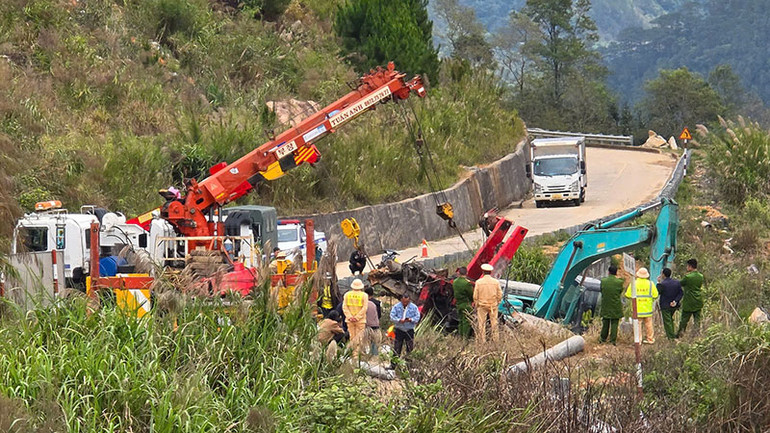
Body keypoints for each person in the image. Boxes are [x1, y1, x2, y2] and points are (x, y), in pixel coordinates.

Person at [625, 267, 659, 344]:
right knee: (649, 324)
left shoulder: (634, 283)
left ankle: (638, 340)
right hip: (648, 308)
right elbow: (656, 295)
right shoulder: (651, 284)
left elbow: (628, 295)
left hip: (637, 308)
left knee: (638, 325)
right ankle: (650, 339)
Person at [473, 263, 502, 343]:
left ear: (483, 272)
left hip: (482, 306)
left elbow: (475, 296)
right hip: (493, 306)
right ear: (491, 272)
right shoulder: (496, 282)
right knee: (494, 323)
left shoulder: (479, 282)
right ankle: (496, 340)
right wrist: (497, 302)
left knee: (481, 324)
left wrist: (477, 304)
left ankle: (482, 341)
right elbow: (500, 294)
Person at [389, 293, 420, 363]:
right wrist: (399, 320)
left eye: (407, 302)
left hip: (409, 330)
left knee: (409, 348)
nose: (405, 303)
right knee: (397, 348)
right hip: (399, 330)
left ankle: (408, 365)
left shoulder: (414, 307)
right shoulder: (396, 307)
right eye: (404, 302)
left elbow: (417, 317)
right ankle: (393, 364)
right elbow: (392, 316)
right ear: (401, 300)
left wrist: (411, 319)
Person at [677, 259, 704, 337]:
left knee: (684, 319)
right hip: (698, 300)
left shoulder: (688, 277)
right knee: (697, 320)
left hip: (689, 301)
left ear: (690, 266)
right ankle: (696, 334)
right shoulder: (701, 276)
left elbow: (680, 283)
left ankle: (680, 334)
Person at [342, 279, 369, 357]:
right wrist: (357, 317)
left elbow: (344, 307)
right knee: (359, 338)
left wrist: (350, 317)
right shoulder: (364, 295)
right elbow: (365, 308)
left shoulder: (347, 295)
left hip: (349, 320)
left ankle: (352, 353)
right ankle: (356, 354)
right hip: (360, 320)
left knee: (352, 337)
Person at [598, 265, 624, 345]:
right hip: (615, 305)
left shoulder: (603, 281)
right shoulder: (619, 282)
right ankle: (613, 340)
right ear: (616, 272)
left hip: (606, 304)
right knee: (614, 323)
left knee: (605, 322)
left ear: (608, 272)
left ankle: (603, 339)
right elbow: (620, 292)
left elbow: (601, 290)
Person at [657, 268, 683, 340]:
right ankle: (672, 334)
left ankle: (671, 337)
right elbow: (681, 293)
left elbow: (658, 292)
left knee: (667, 321)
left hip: (665, 305)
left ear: (663, 274)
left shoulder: (662, 284)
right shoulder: (677, 282)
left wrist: (658, 283)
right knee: (670, 320)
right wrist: (675, 301)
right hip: (674, 305)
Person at [452, 266, 474, 338]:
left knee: (460, 320)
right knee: (466, 322)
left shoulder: (455, 282)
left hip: (458, 304)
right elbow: (471, 294)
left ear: (459, 273)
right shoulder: (467, 283)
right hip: (466, 304)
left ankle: (460, 336)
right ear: (467, 273)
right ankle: (465, 337)